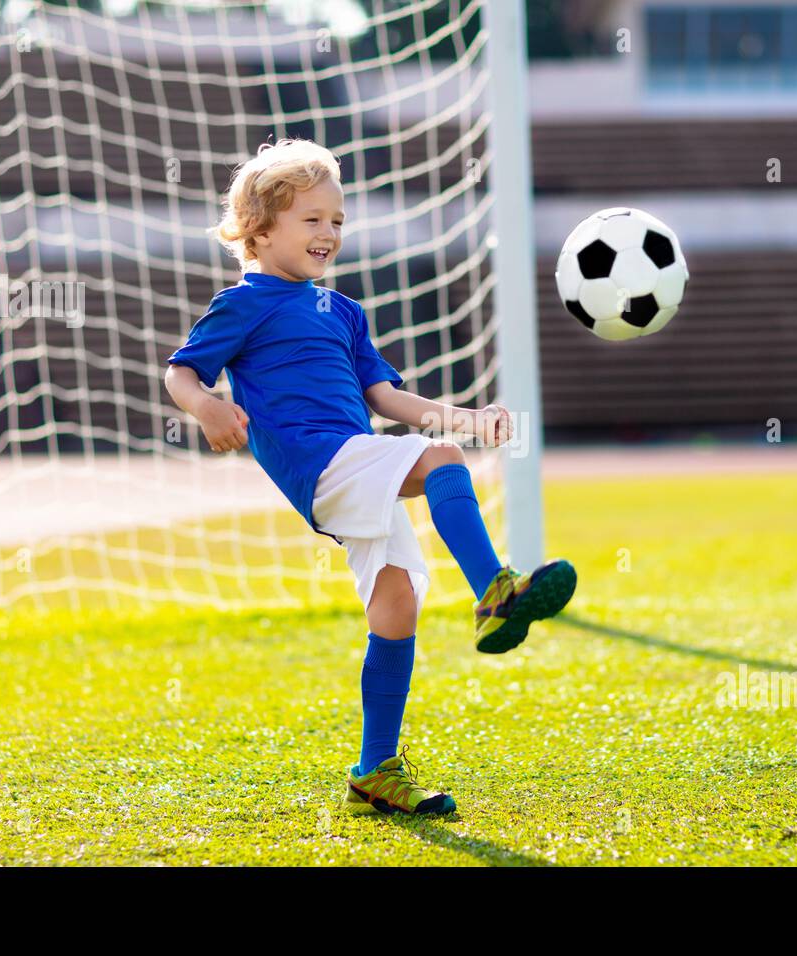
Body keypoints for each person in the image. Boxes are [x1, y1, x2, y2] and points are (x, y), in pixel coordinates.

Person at [164, 139, 576, 816]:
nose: (328, 233)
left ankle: (375, 769)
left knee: (396, 605)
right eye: (312, 220)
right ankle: (495, 591)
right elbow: (180, 371)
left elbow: (388, 399)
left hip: (354, 459)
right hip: (319, 464)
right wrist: (208, 406)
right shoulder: (243, 304)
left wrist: (467, 417)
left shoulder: (344, 312)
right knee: (440, 460)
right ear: (261, 231)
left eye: (337, 221)